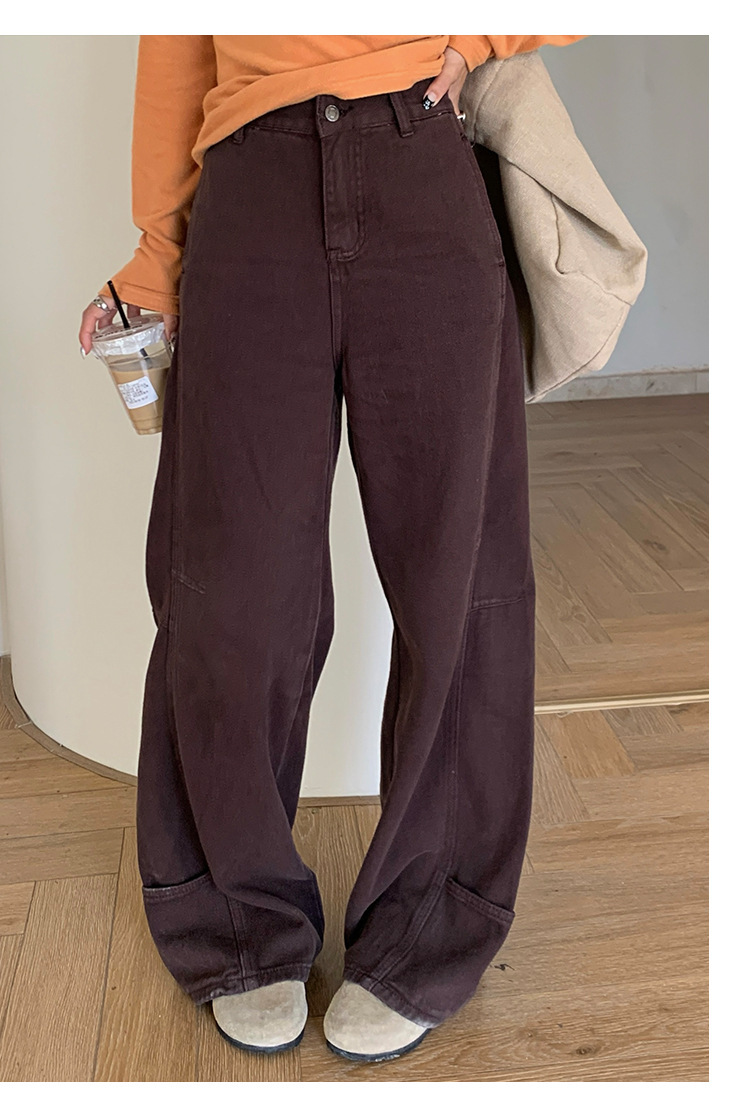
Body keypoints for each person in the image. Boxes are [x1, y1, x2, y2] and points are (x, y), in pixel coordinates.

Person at [79, 34, 584, 1064]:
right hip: (249, 188)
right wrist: (156, 256)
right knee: (231, 590)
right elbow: (176, 48)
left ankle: (431, 922)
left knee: (458, 585)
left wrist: (479, 38)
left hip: (419, 163)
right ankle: (237, 920)